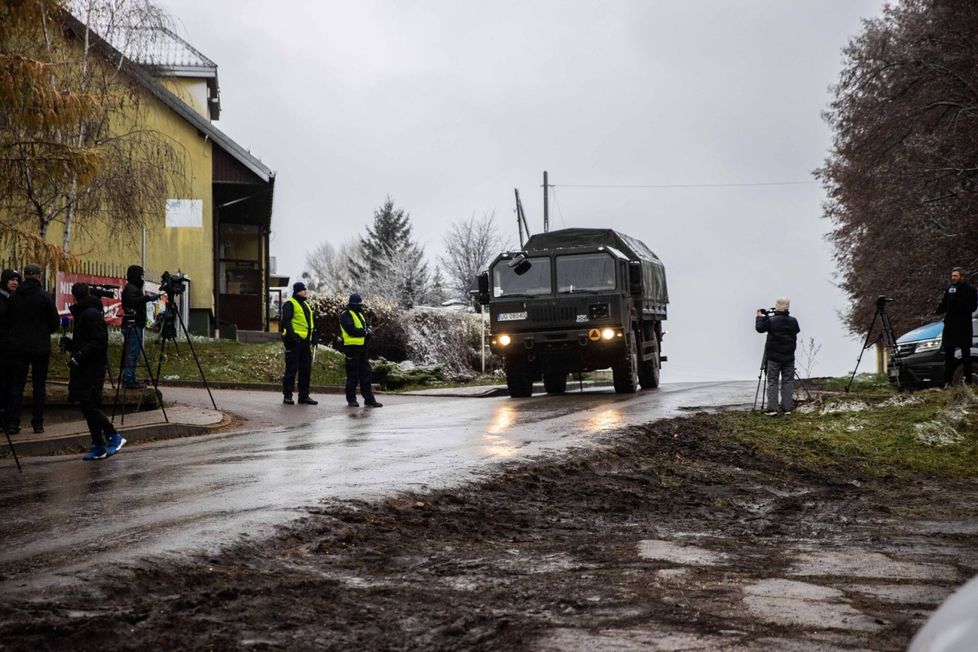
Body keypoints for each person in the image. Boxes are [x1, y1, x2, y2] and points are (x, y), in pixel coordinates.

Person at [61, 283, 126, 460]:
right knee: (87, 405)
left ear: (74, 296)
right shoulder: (85, 313)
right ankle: (98, 443)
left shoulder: (90, 314)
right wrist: (70, 344)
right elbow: (87, 341)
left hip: (91, 368)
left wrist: (79, 355)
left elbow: (99, 342)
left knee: (89, 404)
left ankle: (113, 435)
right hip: (85, 366)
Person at [8, 263, 60, 434]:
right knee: (39, 386)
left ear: (24, 276)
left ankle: (13, 422)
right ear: (38, 276)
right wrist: (43, 332)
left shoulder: (14, 297)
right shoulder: (44, 297)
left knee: (17, 385)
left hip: (18, 347)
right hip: (40, 347)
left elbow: (8, 320)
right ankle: (38, 423)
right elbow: (55, 323)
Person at [755, 297, 800, 416]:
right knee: (788, 381)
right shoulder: (793, 321)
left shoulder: (772, 321)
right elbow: (795, 331)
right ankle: (787, 408)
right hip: (789, 357)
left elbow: (760, 329)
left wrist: (760, 317)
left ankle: (773, 409)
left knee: (773, 381)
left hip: (774, 357)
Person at [935, 267, 978, 387]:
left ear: (962, 277)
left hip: (963, 326)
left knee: (965, 353)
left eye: (956, 276)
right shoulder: (950, 290)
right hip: (950, 326)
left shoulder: (970, 290)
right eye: (952, 275)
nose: (953, 278)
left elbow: (973, 307)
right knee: (948, 353)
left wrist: (958, 302)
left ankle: (968, 380)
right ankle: (947, 382)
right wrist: (939, 309)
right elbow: (944, 304)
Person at [120, 265, 160, 389]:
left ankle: (129, 377)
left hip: (136, 324)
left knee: (133, 352)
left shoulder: (133, 287)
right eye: (141, 275)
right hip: (132, 325)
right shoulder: (131, 288)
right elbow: (133, 301)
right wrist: (147, 298)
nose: (142, 278)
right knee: (132, 352)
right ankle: (128, 379)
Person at [340, 293, 382, 408]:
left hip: (363, 348)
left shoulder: (360, 314)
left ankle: (369, 399)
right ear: (353, 304)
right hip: (351, 348)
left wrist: (369, 331)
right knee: (352, 375)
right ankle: (351, 399)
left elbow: (366, 326)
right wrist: (364, 332)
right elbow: (351, 329)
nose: (360, 306)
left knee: (366, 375)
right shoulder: (346, 314)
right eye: (358, 304)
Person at [281, 281, 318, 405]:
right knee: (291, 370)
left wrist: (314, 337)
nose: (305, 291)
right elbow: (286, 322)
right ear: (298, 291)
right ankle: (287, 395)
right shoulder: (290, 304)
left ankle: (304, 396)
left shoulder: (306, 305)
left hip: (305, 342)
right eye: (303, 290)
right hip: (293, 342)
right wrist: (293, 336)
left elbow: (310, 324)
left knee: (305, 370)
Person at [0, 269, 21, 432]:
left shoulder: (17, 299)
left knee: (12, 386)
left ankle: (11, 420)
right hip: (3, 349)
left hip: (14, 350)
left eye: (17, 280)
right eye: (12, 280)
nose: (15, 282)